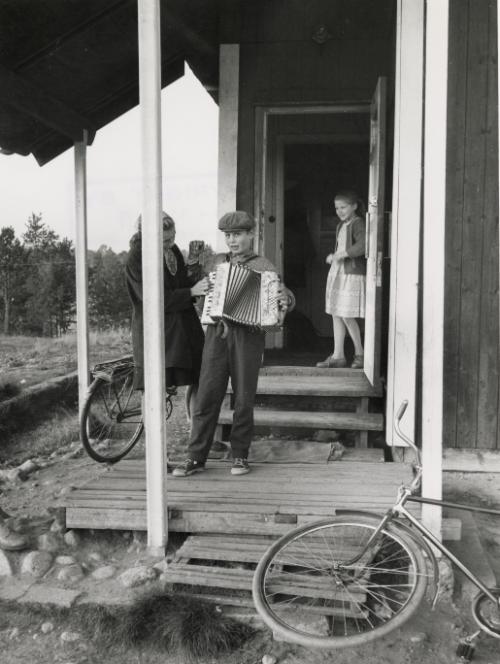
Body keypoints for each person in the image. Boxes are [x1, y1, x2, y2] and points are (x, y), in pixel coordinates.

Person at [173, 210, 294, 477]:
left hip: (248, 337)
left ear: (251, 234)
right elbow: (204, 299)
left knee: (243, 398)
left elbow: (282, 298)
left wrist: (286, 299)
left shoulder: (264, 265)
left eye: (238, 235)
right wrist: (206, 291)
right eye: (228, 236)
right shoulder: (217, 263)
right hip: (216, 334)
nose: (232, 241)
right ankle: (195, 457)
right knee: (206, 394)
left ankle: (240, 455)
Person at [125, 212, 208, 400]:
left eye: (173, 236)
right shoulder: (137, 256)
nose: (170, 243)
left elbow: (180, 283)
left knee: (200, 377)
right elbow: (151, 299)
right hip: (157, 333)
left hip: (182, 330)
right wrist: (191, 292)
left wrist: (194, 266)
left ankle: (196, 429)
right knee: (153, 392)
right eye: (165, 240)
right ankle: (152, 430)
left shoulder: (172, 249)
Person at [317, 190, 366, 369]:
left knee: (346, 313)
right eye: (337, 208)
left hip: (351, 273)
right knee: (336, 312)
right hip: (338, 272)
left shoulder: (358, 223)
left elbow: (364, 244)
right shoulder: (342, 225)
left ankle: (360, 354)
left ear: (354, 206)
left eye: (343, 207)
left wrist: (342, 254)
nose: (340, 211)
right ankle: (338, 355)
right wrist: (336, 257)